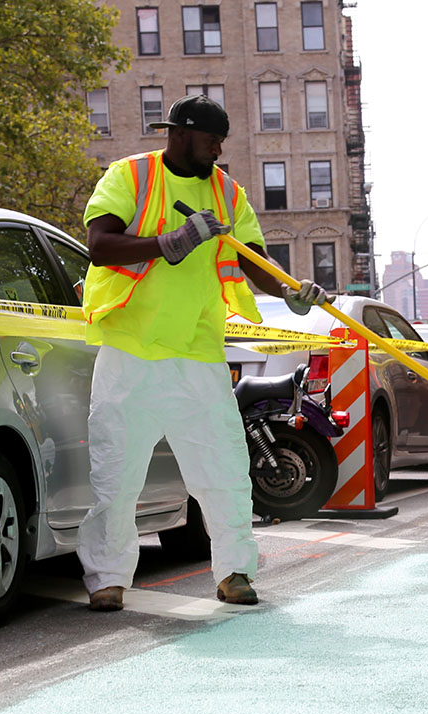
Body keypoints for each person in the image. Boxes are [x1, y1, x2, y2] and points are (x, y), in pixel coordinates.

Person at [76, 94, 328, 611]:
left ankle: (235, 573)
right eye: (211, 139)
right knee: (116, 474)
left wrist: (288, 292)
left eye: (221, 141)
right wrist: (167, 243)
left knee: (224, 469)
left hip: (197, 353)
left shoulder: (227, 192)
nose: (218, 149)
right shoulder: (130, 177)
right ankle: (107, 579)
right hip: (130, 353)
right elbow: (99, 245)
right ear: (179, 133)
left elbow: (253, 259)